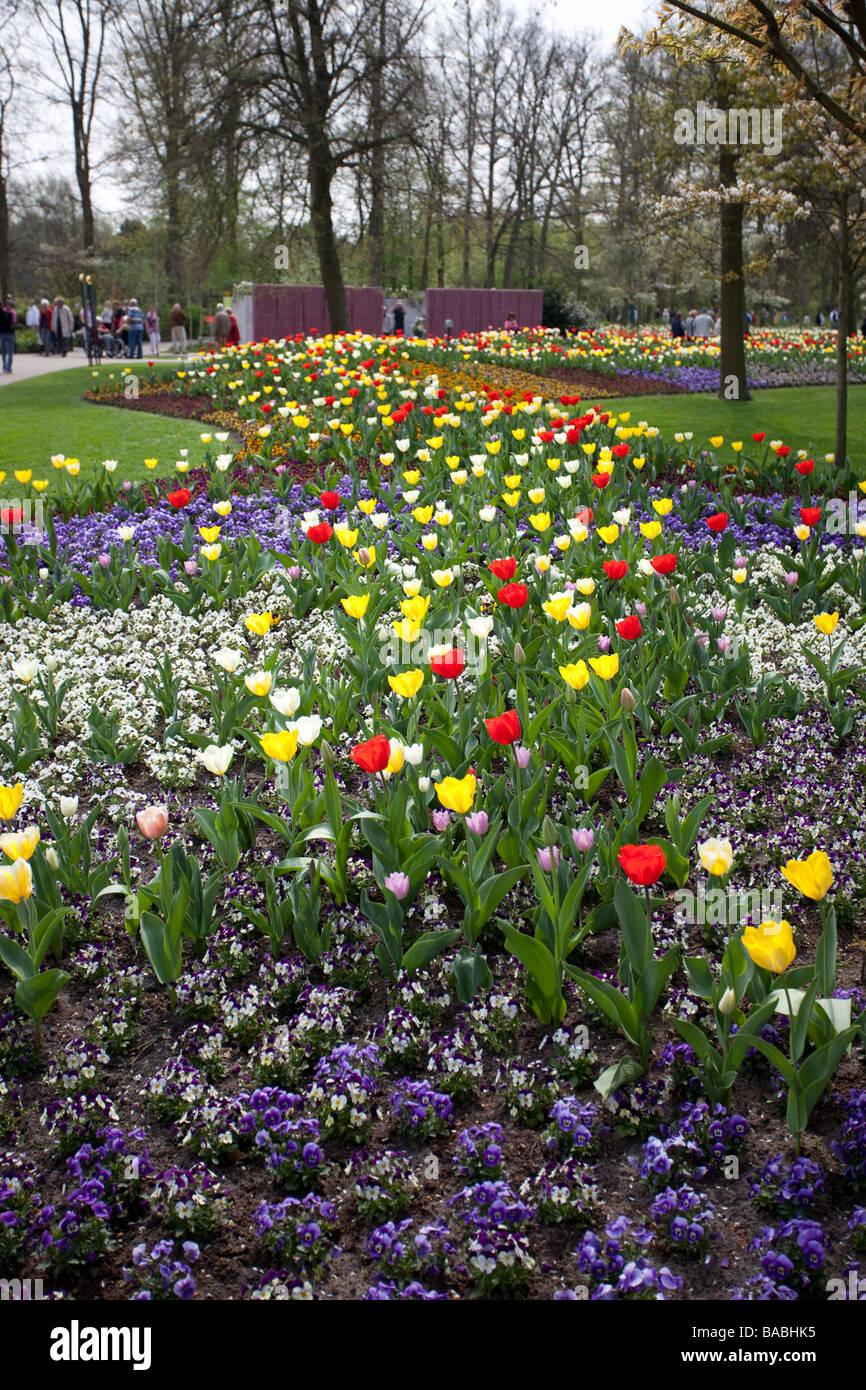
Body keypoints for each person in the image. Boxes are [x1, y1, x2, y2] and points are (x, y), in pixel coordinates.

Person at [0, 298, 14, 373]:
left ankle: (4, 366)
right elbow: (12, 325)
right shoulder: (10, 314)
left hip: (2, 334)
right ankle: (8, 368)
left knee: (3, 351)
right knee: (10, 352)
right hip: (9, 333)